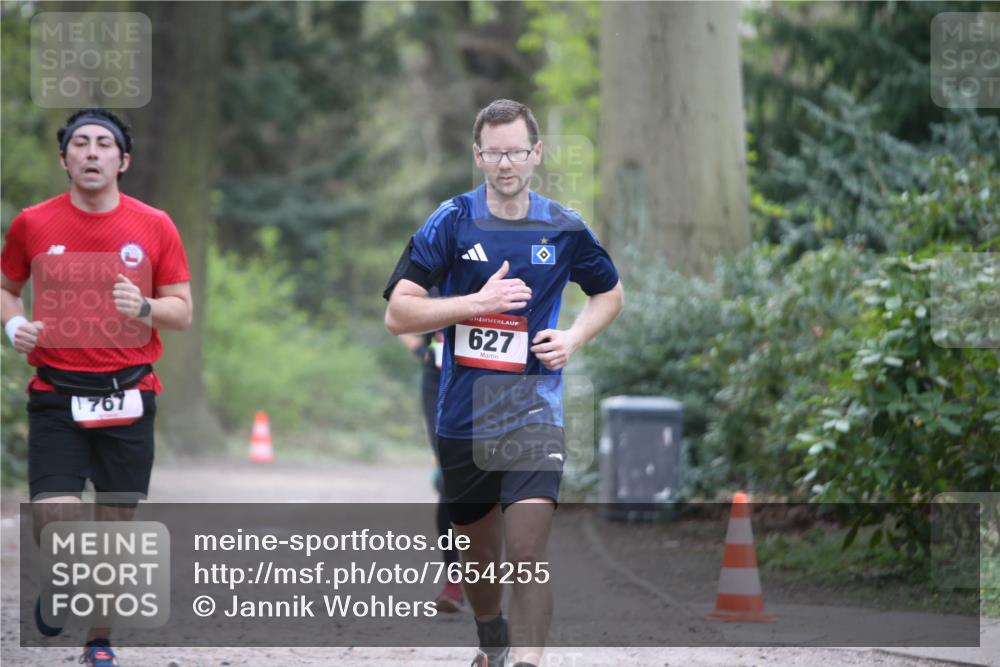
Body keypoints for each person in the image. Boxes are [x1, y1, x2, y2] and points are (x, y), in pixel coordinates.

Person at [384, 99, 623, 667]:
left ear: (536, 153)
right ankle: (491, 635)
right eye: (494, 153)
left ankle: (528, 661)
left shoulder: (564, 227)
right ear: (478, 156)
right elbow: (398, 313)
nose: (506, 163)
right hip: (464, 417)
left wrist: (573, 338)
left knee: (527, 551)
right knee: (479, 559)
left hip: (534, 412)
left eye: (516, 151)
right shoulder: (451, 221)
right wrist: (477, 302)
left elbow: (610, 294)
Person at [1, 108, 192, 667]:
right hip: (56, 393)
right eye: (79, 143)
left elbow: (182, 311)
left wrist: (146, 306)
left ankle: (98, 642)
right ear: (64, 160)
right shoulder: (32, 224)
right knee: (55, 515)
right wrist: (15, 326)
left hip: (129, 392)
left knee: (114, 529)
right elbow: (6, 288)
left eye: (103, 144)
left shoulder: (155, 225)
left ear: (122, 160)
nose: (91, 152)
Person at [399, 311, 465, 613]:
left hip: (491, 381)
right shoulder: (432, 282)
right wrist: (419, 349)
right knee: (450, 480)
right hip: (438, 381)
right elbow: (398, 315)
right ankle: (454, 579)